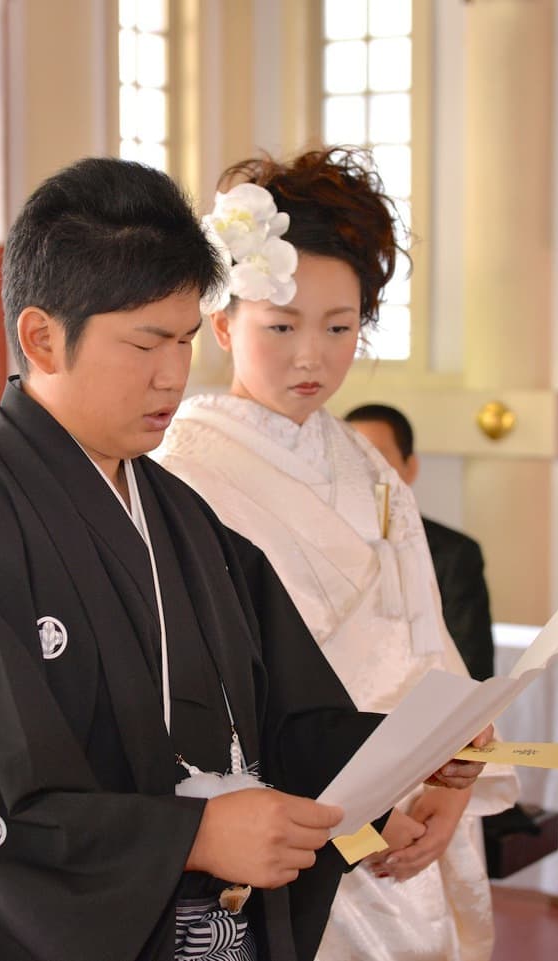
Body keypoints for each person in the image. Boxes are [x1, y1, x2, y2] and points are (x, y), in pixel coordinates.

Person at [0, 157, 493, 961]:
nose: (174, 375)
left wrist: (409, 749)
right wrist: (188, 836)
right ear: (41, 336)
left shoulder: (177, 512)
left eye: (187, 339)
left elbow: (287, 717)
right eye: (146, 342)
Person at [154, 149, 518, 961]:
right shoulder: (182, 473)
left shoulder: (367, 465)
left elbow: (431, 644)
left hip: (416, 810)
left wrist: (452, 781)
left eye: (340, 327)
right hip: (298, 819)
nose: (310, 356)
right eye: (279, 327)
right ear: (222, 323)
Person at [344, 403, 496, 681]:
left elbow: (473, 661)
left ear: (409, 467)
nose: (363, 471)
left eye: (377, 457)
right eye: (350, 458)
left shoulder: (455, 554)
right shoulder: (327, 544)